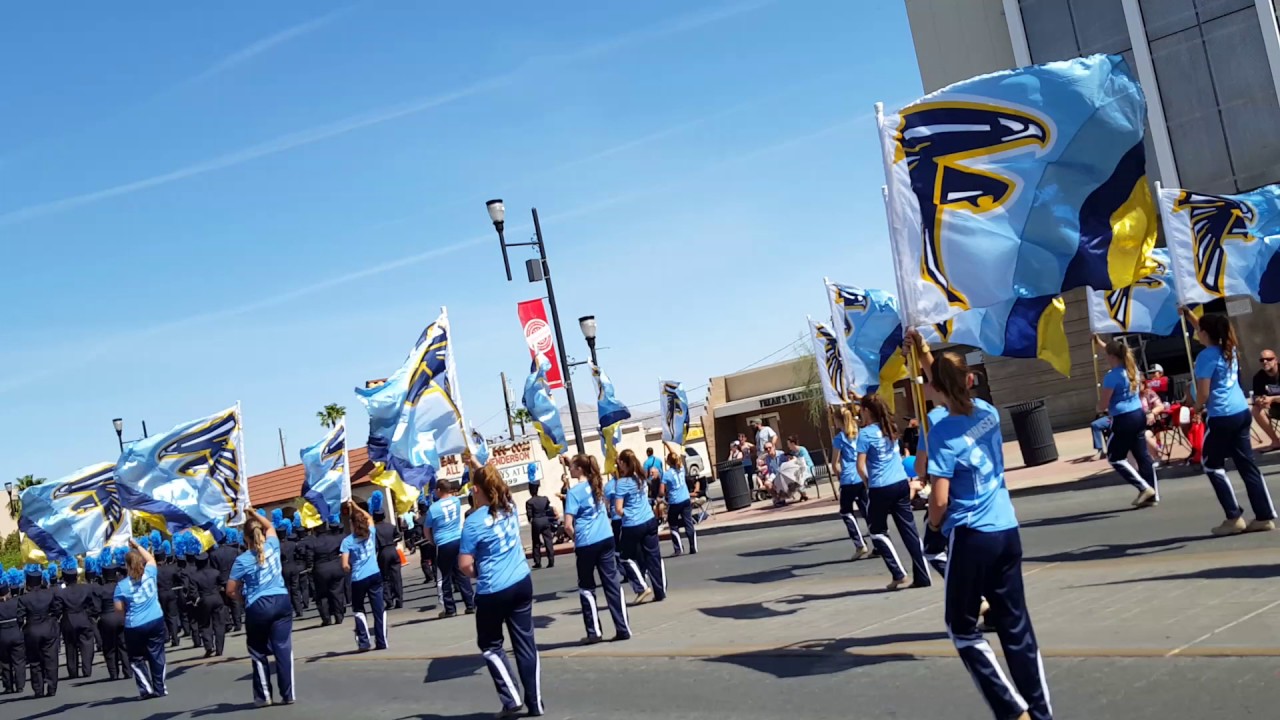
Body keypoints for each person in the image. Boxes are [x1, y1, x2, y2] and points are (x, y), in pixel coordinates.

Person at [912, 334, 1052, 720]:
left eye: (928, 381)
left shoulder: (940, 429)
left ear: (936, 387)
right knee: (1016, 629)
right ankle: (1041, 714)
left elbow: (939, 500)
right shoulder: (988, 413)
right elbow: (946, 382)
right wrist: (925, 354)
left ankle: (1011, 710)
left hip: (972, 534)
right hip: (1007, 528)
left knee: (961, 628)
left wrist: (935, 525)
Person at [460, 463, 544, 717]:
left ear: (476, 489)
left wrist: (479, 572)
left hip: (493, 589)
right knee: (525, 645)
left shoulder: (473, 522)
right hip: (521, 581)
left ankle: (511, 698)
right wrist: (478, 466)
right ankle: (536, 702)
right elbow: (495, 484)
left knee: (489, 644)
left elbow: (465, 564)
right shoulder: (510, 506)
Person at [1184, 310, 1277, 535]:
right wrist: (1188, 314)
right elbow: (1208, 328)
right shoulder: (1229, 349)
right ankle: (1264, 516)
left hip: (1221, 416)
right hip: (1240, 412)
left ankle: (1233, 516)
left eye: (1199, 331)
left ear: (1204, 334)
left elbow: (1203, 393)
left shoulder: (1206, 356)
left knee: (1211, 465)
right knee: (1247, 466)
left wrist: (1196, 408)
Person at [857, 394, 931, 590]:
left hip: (880, 486)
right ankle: (923, 575)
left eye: (861, 410)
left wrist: (867, 482)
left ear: (866, 411)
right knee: (909, 530)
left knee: (876, 530)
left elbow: (860, 466)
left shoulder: (865, 434)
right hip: (900, 483)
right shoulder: (890, 428)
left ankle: (898, 573)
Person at [228, 508, 295, 707]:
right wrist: (253, 513)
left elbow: (231, 590)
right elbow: (270, 527)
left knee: (258, 651)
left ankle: (264, 696)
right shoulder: (273, 545)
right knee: (283, 648)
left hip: (258, 605)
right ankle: (288, 694)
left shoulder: (242, 560)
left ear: (245, 538)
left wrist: (244, 599)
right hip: (281, 600)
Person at [564, 454, 631, 644]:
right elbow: (584, 469)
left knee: (586, 587)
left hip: (586, 542)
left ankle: (594, 631)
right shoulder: (597, 485)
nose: (570, 469)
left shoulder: (573, 493)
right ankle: (622, 627)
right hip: (605, 536)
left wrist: (576, 538)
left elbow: (568, 525)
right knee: (612, 584)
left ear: (579, 469)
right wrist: (569, 460)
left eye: (572, 467)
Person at [1095, 336, 1159, 508]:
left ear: (1112, 357)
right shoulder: (1133, 370)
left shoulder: (1111, 377)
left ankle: (1144, 487)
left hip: (1123, 418)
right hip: (1138, 414)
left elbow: (1104, 404)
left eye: (1106, 355)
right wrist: (1099, 341)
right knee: (1142, 455)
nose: (1105, 357)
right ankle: (1152, 494)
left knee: (1115, 457)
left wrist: (1099, 407)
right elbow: (1114, 349)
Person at [115, 538, 168, 700]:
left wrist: (128, 616)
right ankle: (160, 687)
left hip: (134, 624)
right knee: (157, 654)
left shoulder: (122, 586)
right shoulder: (150, 573)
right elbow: (151, 559)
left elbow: (119, 610)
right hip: (156, 619)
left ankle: (146, 688)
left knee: (136, 658)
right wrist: (137, 545)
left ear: (126, 566)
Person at [615, 449, 666, 602]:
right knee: (653, 556)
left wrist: (626, 514)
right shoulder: (641, 477)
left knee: (624, 557)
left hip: (632, 524)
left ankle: (641, 587)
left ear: (624, 463)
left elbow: (618, 509)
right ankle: (660, 590)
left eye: (619, 463)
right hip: (649, 520)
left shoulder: (622, 483)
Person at [342, 499, 388, 652]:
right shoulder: (371, 532)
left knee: (359, 609)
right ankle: (381, 640)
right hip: (374, 573)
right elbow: (368, 517)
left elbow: (345, 565)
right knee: (378, 608)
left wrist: (349, 567)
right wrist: (354, 504)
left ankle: (364, 642)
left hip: (358, 578)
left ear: (353, 524)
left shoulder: (348, 542)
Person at [428, 479, 476, 618]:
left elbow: (427, 529)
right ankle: (470, 604)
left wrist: (432, 541)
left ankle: (450, 608)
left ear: (438, 490)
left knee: (444, 577)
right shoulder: (456, 501)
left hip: (443, 542)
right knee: (461, 573)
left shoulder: (434, 508)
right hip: (458, 539)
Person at [832, 406, 871, 561]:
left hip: (848, 477)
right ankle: (879, 542)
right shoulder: (859, 434)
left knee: (846, 511)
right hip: (862, 475)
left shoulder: (839, 438)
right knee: (866, 509)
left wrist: (839, 477)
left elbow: (835, 463)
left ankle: (860, 544)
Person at [605, 473, 650, 602]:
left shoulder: (611, 486)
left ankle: (639, 583)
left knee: (622, 554)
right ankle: (641, 572)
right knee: (637, 549)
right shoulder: (636, 480)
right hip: (636, 518)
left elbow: (607, 505)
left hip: (620, 520)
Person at [19, 563, 58, 698]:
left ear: (28, 583)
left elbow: (20, 617)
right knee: (51, 658)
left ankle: (38, 689)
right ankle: (52, 687)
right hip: (48, 627)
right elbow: (56, 610)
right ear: (41, 581)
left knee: (35, 660)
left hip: (32, 630)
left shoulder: (24, 598)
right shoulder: (49, 594)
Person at [184, 540, 226, 658]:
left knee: (205, 624)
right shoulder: (215, 572)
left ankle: (209, 646)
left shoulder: (194, 576)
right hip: (217, 598)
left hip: (204, 600)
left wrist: (196, 600)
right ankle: (219, 648)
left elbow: (193, 592)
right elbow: (223, 583)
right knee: (219, 624)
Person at [55, 557, 96, 679]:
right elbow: (92, 605)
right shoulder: (85, 588)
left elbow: (57, 609)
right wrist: (88, 614)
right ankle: (87, 669)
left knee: (70, 646)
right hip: (83, 617)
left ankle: (73, 671)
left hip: (68, 620)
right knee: (87, 644)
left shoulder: (60, 593)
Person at [94, 549, 128, 682]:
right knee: (123, 645)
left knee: (109, 647)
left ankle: (114, 673)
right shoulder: (122, 587)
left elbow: (96, 608)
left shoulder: (100, 590)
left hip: (107, 618)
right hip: (121, 617)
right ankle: (127, 670)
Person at [368, 492, 405, 611]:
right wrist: (393, 541)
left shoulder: (374, 530)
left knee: (384, 578)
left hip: (383, 552)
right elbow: (399, 537)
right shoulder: (390, 526)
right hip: (393, 550)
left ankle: (389, 601)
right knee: (396, 577)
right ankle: (399, 600)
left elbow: (373, 545)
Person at [311, 515, 347, 626]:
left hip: (321, 569)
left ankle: (326, 618)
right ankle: (339, 615)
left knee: (322, 595)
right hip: (336, 567)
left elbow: (309, 557)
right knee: (337, 593)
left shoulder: (313, 542)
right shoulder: (335, 538)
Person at [661, 449, 697, 556]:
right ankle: (693, 546)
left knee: (673, 524)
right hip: (685, 499)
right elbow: (675, 456)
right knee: (688, 522)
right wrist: (668, 445)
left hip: (675, 501)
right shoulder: (681, 469)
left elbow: (661, 491)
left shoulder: (666, 474)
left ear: (668, 462)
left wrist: (665, 495)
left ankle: (678, 548)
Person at [211, 529, 243, 634]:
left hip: (222, 580)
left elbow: (214, 569)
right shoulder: (234, 551)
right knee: (235, 601)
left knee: (224, 603)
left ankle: (227, 623)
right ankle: (238, 623)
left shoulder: (214, 554)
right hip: (234, 577)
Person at [0, 569, 25, 695]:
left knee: (5, 662)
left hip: (2, 636)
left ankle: (8, 686)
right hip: (16, 633)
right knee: (19, 661)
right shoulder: (16, 602)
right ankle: (20, 685)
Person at [1251, 348, 1280, 452]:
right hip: (1273, 409)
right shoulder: (1258, 377)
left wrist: (1272, 398)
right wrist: (1259, 400)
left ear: (1276, 360)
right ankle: (1275, 441)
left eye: (1269, 359)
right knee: (1255, 409)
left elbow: (1271, 398)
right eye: (1262, 360)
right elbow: (1256, 396)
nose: (1265, 362)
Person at [525, 482, 559, 570]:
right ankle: (551, 560)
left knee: (536, 542)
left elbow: (529, 515)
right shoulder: (544, 499)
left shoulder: (529, 502)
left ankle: (537, 562)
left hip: (536, 521)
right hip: (545, 519)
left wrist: (531, 520)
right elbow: (548, 508)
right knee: (548, 540)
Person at [156, 540, 183, 648]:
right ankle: (175, 638)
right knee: (172, 616)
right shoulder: (171, 568)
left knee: (162, 616)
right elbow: (178, 578)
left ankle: (166, 636)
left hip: (160, 593)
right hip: (171, 592)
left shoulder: (154, 570)